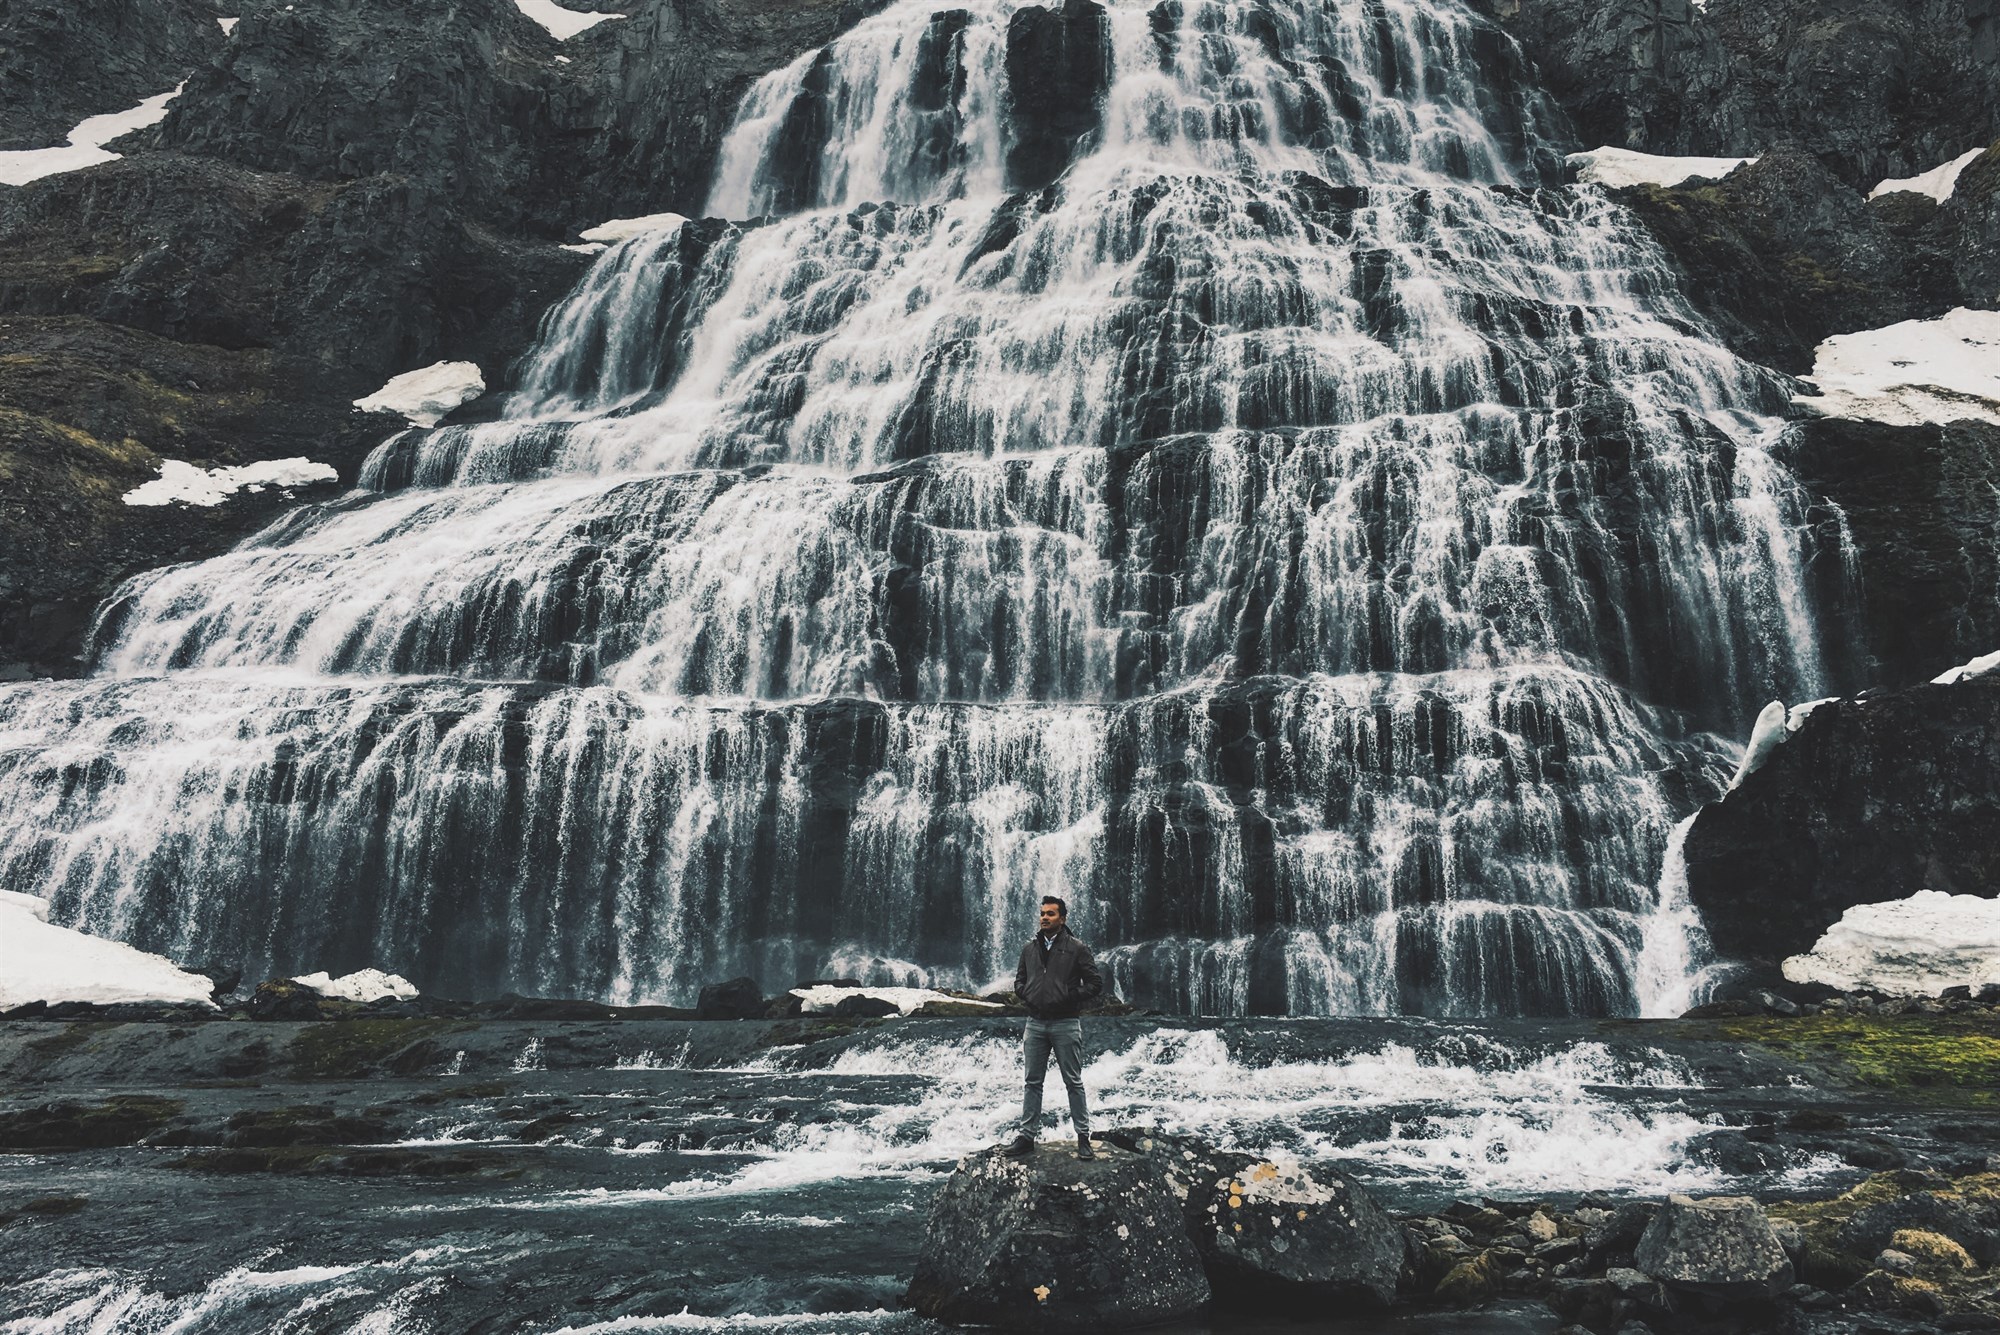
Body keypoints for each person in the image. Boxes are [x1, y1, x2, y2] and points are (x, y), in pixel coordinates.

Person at [1004, 895, 1104, 1160]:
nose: (1045, 917)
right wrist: (1027, 994)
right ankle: (1027, 1137)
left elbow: (1095, 983)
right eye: (1042, 913)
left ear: (1063, 918)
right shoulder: (1029, 948)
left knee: (1073, 1082)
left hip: (1066, 1023)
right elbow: (1019, 980)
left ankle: (1083, 1138)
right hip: (1035, 1023)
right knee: (1032, 1082)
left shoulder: (1077, 948)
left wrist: (1069, 996)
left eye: (1050, 913)